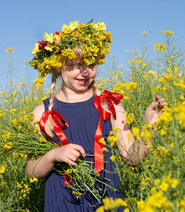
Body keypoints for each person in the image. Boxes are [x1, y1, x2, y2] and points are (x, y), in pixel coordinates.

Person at [25, 21, 167, 211]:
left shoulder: (110, 105)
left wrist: (150, 126)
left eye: (91, 64)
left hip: (107, 203)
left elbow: (132, 158)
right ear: (58, 66)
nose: (84, 72)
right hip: (62, 205)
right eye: (75, 65)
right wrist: (53, 156)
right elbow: (32, 171)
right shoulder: (41, 113)